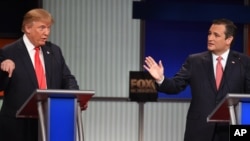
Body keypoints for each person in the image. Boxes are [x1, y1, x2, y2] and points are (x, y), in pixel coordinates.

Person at [144, 18, 250, 141]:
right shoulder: (195, 61)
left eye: (216, 35)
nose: (210, 38)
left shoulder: (243, 62)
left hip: (231, 130)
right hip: (199, 130)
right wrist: (160, 79)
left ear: (229, 40)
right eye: (209, 33)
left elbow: (248, 97)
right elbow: (176, 85)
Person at [0, 8, 81, 141]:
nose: (47, 33)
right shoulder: (8, 52)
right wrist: (3, 70)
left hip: (50, 121)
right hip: (17, 126)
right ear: (28, 28)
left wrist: (75, 98)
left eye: (48, 28)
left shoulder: (54, 51)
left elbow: (66, 78)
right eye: (42, 28)